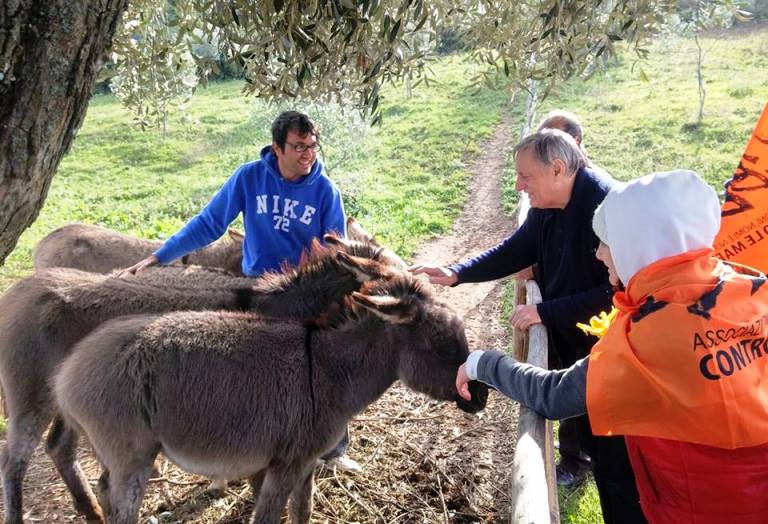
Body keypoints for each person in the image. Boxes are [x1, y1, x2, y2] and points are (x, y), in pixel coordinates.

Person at [457, 169, 768, 523]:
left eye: (608, 243)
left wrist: (482, 363)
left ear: (639, 246)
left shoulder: (647, 333)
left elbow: (553, 395)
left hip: (697, 509)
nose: (600, 255)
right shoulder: (751, 287)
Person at [409, 129, 645, 522]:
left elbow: (616, 292)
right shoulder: (550, 203)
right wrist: (456, 272)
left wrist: (546, 311)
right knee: (599, 449)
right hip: (582, 344)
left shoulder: (605, 206)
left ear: (557, 170)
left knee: (617, 464)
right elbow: (519, 248)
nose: (518, 185)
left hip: (609, 353)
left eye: (525, 177)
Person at [122, 110, 360, 472]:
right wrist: (159, 256)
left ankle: (333, 448)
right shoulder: (249, 178)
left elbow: (335, 250)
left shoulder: (326, 191)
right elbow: (209, 223)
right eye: (298, 147)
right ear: (277, 148)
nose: (308, 154)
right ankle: (254, 442)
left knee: (319, 370)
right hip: (256, 288)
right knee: (251, 370)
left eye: (312, 146)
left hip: (302, 293)